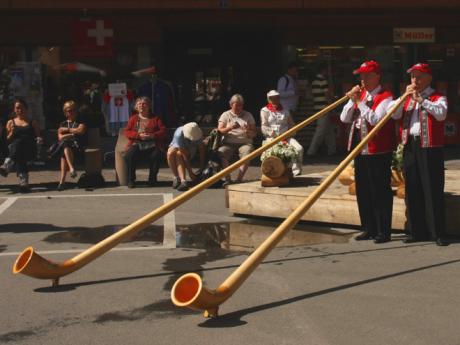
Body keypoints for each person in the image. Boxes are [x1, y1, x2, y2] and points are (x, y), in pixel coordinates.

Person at [390, 63, 449, 246]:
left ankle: (437, 233)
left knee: (432, 189)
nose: (415, 80)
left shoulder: (438, 97)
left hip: (430, 148)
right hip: (411, 146)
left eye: (419, 76)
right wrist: (403, 97)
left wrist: (422, 100)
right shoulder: (406, 99)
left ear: (428, 78)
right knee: (412, 190)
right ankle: (417, 231)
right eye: (412, 77)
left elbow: (441, 115)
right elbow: (392, 114)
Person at [340, 60, 395, 244]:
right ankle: (368, 228)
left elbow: (376, 120)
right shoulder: (360, 95)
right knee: (363, 191)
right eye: (361, 75)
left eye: (366, 75)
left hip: (378, 150)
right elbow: (344, 118)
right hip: (360, 150)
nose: (362, 79)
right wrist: (351, 100)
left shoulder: (386, 97)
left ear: (376, 76)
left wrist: (359, 103)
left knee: (380, 191)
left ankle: (383, 230)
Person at [0, 98, 43, 192]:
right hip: (15, 150)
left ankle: (7, 165)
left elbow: (38, 136)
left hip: (30, 148)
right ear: (14, 110)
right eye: (17, 108)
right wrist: (11, 132)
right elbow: (7, 140)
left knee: (20, 143)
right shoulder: (10, 122)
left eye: (22, 108)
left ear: (26, 109)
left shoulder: (32, 122)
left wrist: (39, 139)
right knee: (18, 148)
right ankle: (24, 182)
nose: (20, 110)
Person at [124, 96, 166, 188]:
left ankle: (152, 179)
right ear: (136, 107)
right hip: (137, 143)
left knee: (156, 154)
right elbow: (127, 131)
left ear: (149, 106)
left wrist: (153, 135)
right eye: (139, 104)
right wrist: (138, 135)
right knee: (129, 155)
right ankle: (131, 180)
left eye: (144, 104)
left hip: (153, 144)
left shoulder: (156, 118)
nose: (141, 106)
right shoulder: (133, 118)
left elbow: (163, 131)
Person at [260, 90, 303, 176]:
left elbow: (292, 125)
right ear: (269, 99)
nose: (275, 100)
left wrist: (290, 133)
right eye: (272, 98)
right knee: (271, 152)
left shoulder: (286, 110)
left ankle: (296, 171)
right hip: (272, 138)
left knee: (299, 148)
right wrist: (272, 133)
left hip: (286, 137)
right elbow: (264, 126)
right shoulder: (264, 110)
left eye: (276, 98)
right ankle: (272, 172)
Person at [217, 94, 257, 185]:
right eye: (236, 106)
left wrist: (247, 131)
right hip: (228, 142)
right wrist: (229, 127)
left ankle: (239, 179)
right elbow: (219, 131)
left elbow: (254, 134)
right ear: (231, 105)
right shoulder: (225, 115)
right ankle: (228, 179)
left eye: (240, 105)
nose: (239, 108)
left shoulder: (248, 115)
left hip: (245, 142)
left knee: (247, 152)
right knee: (221, 152)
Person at [56, 100, 87, 191]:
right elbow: (60, 138)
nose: (71, 112)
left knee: (64, 149)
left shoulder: (80, 121)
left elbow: (81, 131)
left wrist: (67, 131)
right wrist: (72, 133)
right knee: (65, 147)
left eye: (73, 110)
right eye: (69, 110)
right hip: (67, 148)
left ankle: (62, 181)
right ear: (65, 112)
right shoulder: (62, 123)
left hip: (78, 148)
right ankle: (71, 169)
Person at [307, 61, 336, 157]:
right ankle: (311, 151)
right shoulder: (323, 80)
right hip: (324, 108)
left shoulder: (314, 80)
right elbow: (327, 94)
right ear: (324, 70)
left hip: (318, 108)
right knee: (320, 131)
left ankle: (332, 150)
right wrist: (332, 103)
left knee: (329, 131)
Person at [167, 122, 205, 192]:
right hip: (177, 147)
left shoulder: (197, 133)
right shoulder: (178, 134)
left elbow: (201, 150)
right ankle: (177, 177)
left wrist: (202, 167)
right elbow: (184, 155)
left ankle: (183, 181)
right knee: (170, 153)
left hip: (190, 149)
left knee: (178, 154)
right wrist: (190, 173)